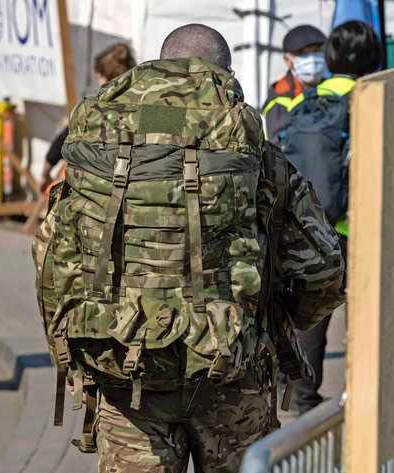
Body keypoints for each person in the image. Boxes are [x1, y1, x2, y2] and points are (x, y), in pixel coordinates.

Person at [33, 24, 345, 472]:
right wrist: (280, 323)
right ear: (225, 73)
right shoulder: (249, 148)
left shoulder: (102, 142)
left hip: (125, 372)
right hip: (232, 373)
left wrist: (73, 347)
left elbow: (50, 258)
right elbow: (323, 267)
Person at [281, 20, 380, 415]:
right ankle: (365, 402)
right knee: (369, 318)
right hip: (363, 228)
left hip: (314, 228)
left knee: (313, 317)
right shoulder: (374, 96)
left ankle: (304, 401)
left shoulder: (310, 99)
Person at [39, 43, 136, 191]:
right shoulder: (143, 106)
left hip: (100, 191)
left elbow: (63, 139)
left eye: (98, 77)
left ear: (106, 77)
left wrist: (45, 172)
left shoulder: (93, 111)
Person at [262, 25, 328, 143]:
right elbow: (279, 148)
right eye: (303, 53)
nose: (312, 59)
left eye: (316, 51)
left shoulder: (330, 87)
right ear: (288, 61)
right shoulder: (280, 99)